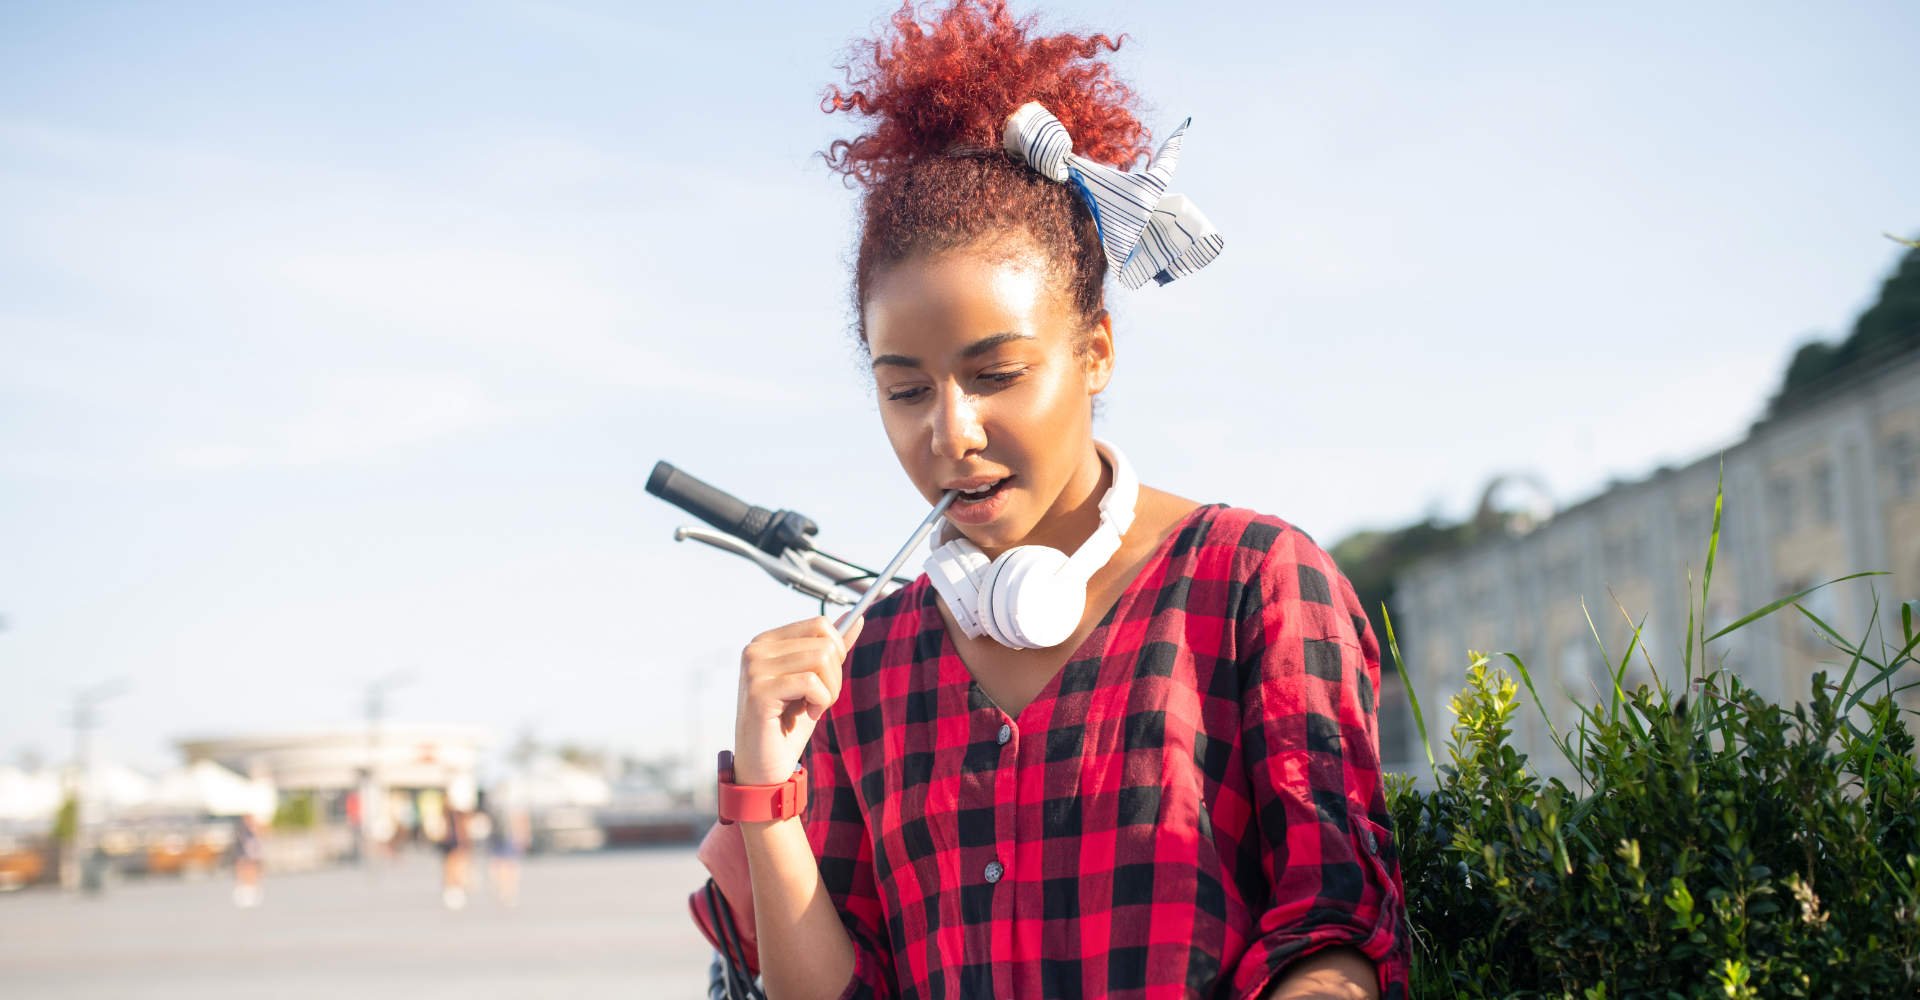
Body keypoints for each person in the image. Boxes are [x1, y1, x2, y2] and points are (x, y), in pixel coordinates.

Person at [719, 2, 1409, 997]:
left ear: (1096, 352)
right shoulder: (865, 666)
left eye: (995, 373)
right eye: (904, 388)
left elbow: (1337, 926)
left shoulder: (1255, 582)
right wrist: (768, 800)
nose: (947, 432)